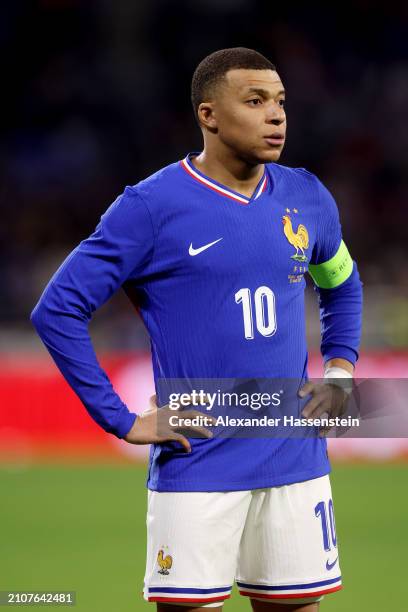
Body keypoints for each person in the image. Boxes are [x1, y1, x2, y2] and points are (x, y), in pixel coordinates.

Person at [31, 47, 363, 612]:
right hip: (200, 459)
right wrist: (122, 420)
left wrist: (340, 370)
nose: (276, 115)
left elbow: (341, 283)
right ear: (208, 114)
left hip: (296, 461)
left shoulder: (307, 197)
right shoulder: (151, 207)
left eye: (280, 101)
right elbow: (57, 310)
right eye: (255, 101)